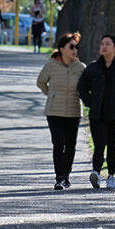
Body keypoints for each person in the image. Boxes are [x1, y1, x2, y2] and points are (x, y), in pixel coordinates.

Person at [77, 34, 115, 190]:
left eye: (107, 44)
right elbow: (82, 87)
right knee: (99, 145)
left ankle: (111, 176)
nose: (103, 46)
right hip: (97, 114)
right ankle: (95, 173)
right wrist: (89, 102)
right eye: (102, 44)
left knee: (112, 146)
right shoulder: (93, 68)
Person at [36, 32, 85, 190]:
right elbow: (41, 82)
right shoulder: (51, 65)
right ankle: (59, 178)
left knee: (70, 145)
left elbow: (86, 88)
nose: (75, 50)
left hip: (73, 111)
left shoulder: (80, 68)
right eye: (71, 46)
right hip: (54, 111)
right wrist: (51, 95)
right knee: (58, 143)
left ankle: (66, 176)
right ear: (62, 48)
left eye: (76, 47)